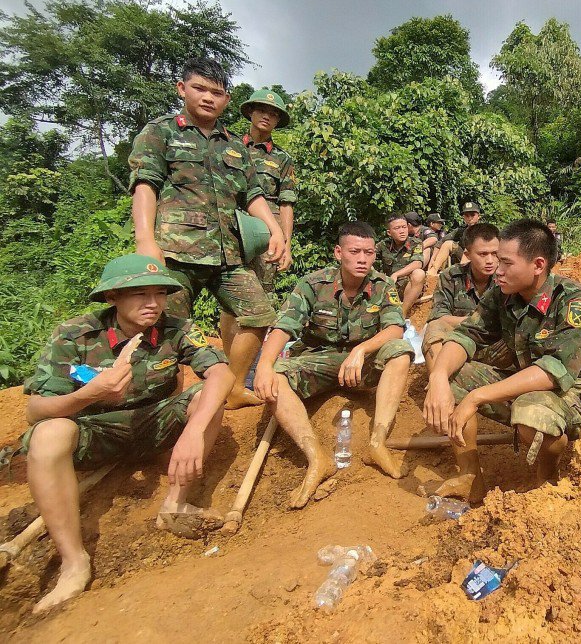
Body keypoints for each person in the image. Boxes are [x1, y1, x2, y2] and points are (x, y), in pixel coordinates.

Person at [19, 254, 234, 613]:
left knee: (207, 399)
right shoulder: (75, 336)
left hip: (153, 423)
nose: (153, 303)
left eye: (160, 293)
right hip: (94, 432)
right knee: (48, 435)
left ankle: (175, 504)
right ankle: (74, 563)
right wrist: (90, 393)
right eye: (140, 294)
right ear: (112, 297)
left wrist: (194, 431)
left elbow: (222, 374)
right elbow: (35, 410)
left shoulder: (177, 327)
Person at [423, 220, 581, 503]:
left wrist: (476, 398)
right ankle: (470, 477)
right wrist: (439, 378)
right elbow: (467, 335)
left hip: (572, 391)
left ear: (538, 265)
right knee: (454, 376)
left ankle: (547, 480)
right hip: (524, 381)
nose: (497, 270)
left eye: (505, 262)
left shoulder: (573, 299)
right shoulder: (503, 292)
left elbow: (554, 372)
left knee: (531, 414)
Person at [128, 58, 287, 411]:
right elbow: (144, 185)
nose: (208, 98)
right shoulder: (161, 131)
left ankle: (230, 387)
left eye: (216, 92)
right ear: (181, 89)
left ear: (227, 99)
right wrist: (145, 242)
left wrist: (275, 230)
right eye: (200, 89)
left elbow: (255, 195)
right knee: (165, 330)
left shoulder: (233, 145)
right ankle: (168, 402)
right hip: (174, 252)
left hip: (228, 253)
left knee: (259, 314)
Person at [254, 222, 414, 505]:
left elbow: (395, 328)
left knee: (401, 351)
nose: (363, 259)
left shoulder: (383, 285)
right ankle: (317, 457)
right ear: (339, 253)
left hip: (361, 366)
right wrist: (264, 366)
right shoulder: (314, 284)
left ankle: (377, 442)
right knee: (276, 377)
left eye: (369, 252)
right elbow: (283, 327)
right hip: (318, 361)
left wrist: (361, 350)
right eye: (355, 251)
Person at [220, 88, 298, 359]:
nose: (267, 116)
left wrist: (286, 244)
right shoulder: (228, 145)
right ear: (251, 112)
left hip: (267, 232)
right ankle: (231, 364)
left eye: (274, 114)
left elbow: (286, 202)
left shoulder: (283, 158)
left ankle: (250, 363)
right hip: (229, 226)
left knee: (262, 296)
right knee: (231, 300)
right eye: (263, 110)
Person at [422, 223, 511, 371]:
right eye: (482, 254)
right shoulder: (451, 276)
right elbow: (439, 317)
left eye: (495, 253)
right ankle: (437, 381)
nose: (490, 260)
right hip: (457, 345)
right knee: (433, 327)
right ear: (468, 255)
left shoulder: (508, 277)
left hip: (494, 349)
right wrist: (478, 323)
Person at [375, 213, 427, 317]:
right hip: (388, 286)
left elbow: (417, 263)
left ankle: (402, 313)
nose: (402, 231)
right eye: (397, 228)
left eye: (404, 227)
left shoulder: (416, 243)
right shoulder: (383, 245)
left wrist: (396, 274)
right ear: (389, 233)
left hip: (408, 287)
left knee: (419, 273)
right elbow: (369, 257)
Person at [427, 201, 482, 274]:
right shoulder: (461, 230)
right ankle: (433, 271)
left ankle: (463, 274)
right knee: (448, 243)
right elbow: (441, 241)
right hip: (463, 258)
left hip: (479, 259)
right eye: (467, 215)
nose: (470, 218)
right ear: (463, 217)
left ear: (478, 216)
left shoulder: (484, 230)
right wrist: (432, 259)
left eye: (472, 215)